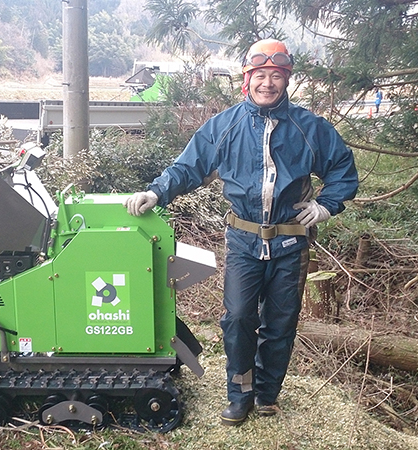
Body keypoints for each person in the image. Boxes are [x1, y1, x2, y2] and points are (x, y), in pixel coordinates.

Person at [124, 39, 359, 426]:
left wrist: (326, 205)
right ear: (247, 80)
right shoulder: (225, 125)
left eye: (277, 76)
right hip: (244, 242)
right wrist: (155, 191)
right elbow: (189, 167)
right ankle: (240, 393)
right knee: (237, 319)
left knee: (281, 322)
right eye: (260, 75)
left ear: (286, 80)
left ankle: (267, 394)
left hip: (291, 242)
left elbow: (342, 170)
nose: (268, 83)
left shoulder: (309, 127)